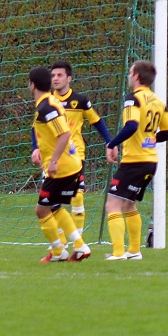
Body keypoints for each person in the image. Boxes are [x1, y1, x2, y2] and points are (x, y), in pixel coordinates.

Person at [36, 60, 112, 253]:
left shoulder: (80, 100)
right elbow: (35, 130)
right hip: (52, 157)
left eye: (59, 75)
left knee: (76, 197)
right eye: (53, 75)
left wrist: (110, 142)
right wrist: (35, 148)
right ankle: (66, 242)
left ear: (69, 78)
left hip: (75, 155)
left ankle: (76, 241)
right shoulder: (48, 101)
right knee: (54, 203)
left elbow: (96, 121)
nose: (56, 79)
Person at [104, 60, 168, 261]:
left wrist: (112, 143)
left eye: (130, 73)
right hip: (150, 161)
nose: (128, 76)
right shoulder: (157, 101)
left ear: (136, 77)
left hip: (134, 161)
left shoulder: (133, 99)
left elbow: (131, 126)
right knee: (128, 205)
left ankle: (118, 252)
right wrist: (152, 139)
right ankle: (134, 250)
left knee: (113, 204)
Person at [27, 66, 92, 263]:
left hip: (62, 167)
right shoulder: (50, 102)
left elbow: (64, 134)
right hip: (69, 164)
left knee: (41, 210)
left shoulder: (46, 107)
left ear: (32, 85)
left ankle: (58, 251)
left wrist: (53, 161)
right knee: (54, 206)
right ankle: (79, 246)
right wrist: (40, 150)